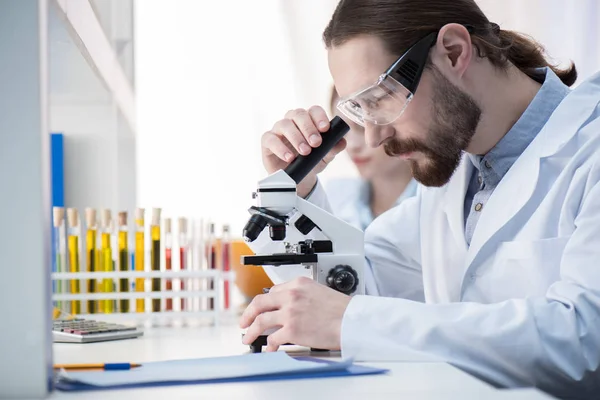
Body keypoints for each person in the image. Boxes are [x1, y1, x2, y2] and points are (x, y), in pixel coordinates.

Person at [241, 0, 600, 397]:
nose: (374, 138)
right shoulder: (456, 178)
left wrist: (354, 322)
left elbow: (584, 341)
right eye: (359, 111)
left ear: (454, 52)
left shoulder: (589, 150)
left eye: (380, 99)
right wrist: (294, 189)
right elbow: (353, 291)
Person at [324, 87, 417, 230]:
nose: (352, 145)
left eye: (362, 127)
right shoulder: (331, 197)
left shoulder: (443, 201)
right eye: (341, 131)